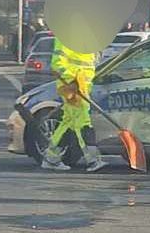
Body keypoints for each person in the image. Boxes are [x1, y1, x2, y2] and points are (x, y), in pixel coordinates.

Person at [41, 37, 107, 172]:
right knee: (83, 121)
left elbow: (90, 64)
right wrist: (71, 81)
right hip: (72, 86)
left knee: (68, 122)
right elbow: (57, 63)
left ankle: (51, 158)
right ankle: (93, 159)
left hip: (81, 86)